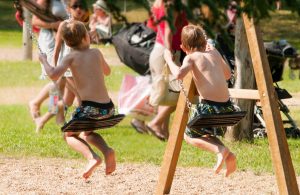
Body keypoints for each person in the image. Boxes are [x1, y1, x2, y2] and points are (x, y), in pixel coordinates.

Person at [39, 20, 116, 179]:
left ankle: (92, 158)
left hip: (90, 108)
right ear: (86, 38)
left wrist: (43, 60)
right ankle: (108, 151)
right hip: (108, 107)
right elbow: (107, 72)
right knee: (87, 133)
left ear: (67, 42)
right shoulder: (96, 53)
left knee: (69, 134)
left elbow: (53, 75)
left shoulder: (70, 57)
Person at [164, 24, 237, 177]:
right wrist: (215, 51)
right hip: (228, 109)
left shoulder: (191, 58)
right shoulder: (215, 54)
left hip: (209, 109)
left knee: (189, 136)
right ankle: (227, 155)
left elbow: (178, 75)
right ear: (205, 43)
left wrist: (169, 60)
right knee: (205, 134)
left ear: (183, 47)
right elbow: (227, 75)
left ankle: (221, 151)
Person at [131, 0, 188, 141]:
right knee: (178, 92)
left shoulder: (160, 3)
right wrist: (170, 53)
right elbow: (168, 29)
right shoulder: (172, 5)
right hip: (166, 51)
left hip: (159, 49)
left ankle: (162, 130)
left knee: (164, 90)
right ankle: (150, 122)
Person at [32, 0, 90, 132]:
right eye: (75, 7)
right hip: (66, 66)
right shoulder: (65, 25)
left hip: (76, 67)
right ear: (69, 9)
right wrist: (54, 66)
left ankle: (45, 119)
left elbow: (86, 48)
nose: (78, 9)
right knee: (77, 95)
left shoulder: (82, 26)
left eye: (81, 6)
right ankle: (79, 127)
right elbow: (57, 47)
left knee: (67, 100)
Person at [29, 0, 69, 132]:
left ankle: (58, 115)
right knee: (59, 78)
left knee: (61, 81)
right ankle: (37, 103)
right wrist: (55, 24)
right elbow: (34, 21)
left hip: (64, 40)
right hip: (50, 40)